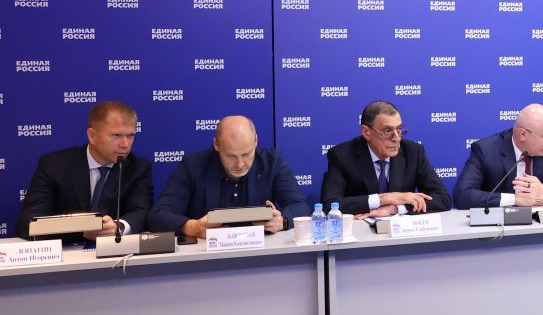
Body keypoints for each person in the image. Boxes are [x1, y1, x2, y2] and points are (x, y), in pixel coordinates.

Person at [148, 115, 308, 238]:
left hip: (260, 255)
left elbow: (300, 206)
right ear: (216, 145)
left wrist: (282, 221)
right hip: (205, 257)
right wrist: (193, 227)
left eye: (246, 154)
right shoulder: (193, 166)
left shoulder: (272, 162)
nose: (240, 164)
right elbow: (157, 216)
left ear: (255, 141)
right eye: (231, 156)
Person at [16, 101, 153, 241]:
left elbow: (141, 212)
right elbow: (28, 222)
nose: (125, 144)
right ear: (92, 136)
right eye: (116, 135)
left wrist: (118, 227)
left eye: (130, 136)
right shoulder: (55, 165)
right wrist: (79, 226)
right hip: (66, 249)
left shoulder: (138, 168)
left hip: (112, 250)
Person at [321, 100, 450, 218]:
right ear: (366, 132)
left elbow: (443, 199)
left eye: (399, 129)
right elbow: (328, 205)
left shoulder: (413, 152)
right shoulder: (342, 155)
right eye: (387, 130)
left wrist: (396, 208)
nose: (397, 138)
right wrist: (384, 199)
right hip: (360, 230)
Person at [453, 104, 543, 209]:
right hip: (500, 227)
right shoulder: (486, 150)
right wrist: (515, 199)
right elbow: (462, 195)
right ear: (523, 134)